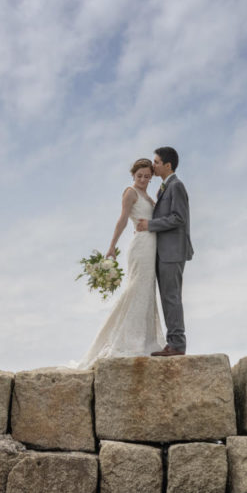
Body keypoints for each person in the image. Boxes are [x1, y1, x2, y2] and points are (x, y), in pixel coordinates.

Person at [73, 158, 165, 369]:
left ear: (151, 178)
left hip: (152, 246)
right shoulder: (130, 193)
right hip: (141, 246)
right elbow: (123, 219)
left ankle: (145, 339)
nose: (143, 179)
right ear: (133, 175)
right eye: (139, 175)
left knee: (146, 290)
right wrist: (112, 246)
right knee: (137, 288)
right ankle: (128, 341)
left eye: (147, 177)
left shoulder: (147, 195)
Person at [137, 146, 193, 356]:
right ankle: (174, 342)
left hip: (172, 251)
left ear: (168, 165)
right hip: (164, 252)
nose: (154, 165)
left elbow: (178, 218)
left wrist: (150, 225)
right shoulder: (163, 188)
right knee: (168, 297)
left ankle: (177, 344)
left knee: (171, 297)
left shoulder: (176, 186)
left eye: (157, 162)